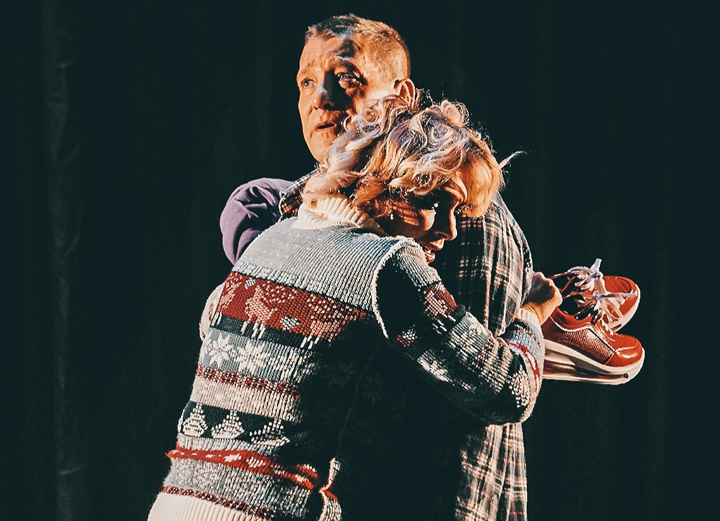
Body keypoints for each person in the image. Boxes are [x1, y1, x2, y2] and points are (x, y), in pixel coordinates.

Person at [149, 94, 560, 521]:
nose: (451, 229)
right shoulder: (388, 265)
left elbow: (211, 320)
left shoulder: (267, 243)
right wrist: (531, 315)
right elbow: (509, 390)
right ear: (379, 184)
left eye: (458, 211)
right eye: (434, 203)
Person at [216, 14, 547, 521]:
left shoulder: (457, 210)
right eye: (306, 81)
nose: (321, 97)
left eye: (346, 77)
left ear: (401, 96)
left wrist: (527, 324)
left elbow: (464, 430)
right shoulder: (308, 224)